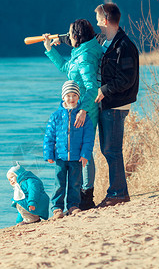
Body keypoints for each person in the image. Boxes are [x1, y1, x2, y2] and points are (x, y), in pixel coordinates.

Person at [56, 3, 139, 207]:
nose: (96, 23)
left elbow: (127, 79)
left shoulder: (123, 46)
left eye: (98, 19)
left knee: (112, 150)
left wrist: (103, 90)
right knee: (108, 150)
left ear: (106, 21)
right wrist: (59, 39)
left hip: (116, 104)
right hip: (108, 103)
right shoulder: (105, 41)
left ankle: (118, 193)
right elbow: (81, 39)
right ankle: (116, 192)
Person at [43, 19, 102, 210]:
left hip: (84, 110)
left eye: (70, 34)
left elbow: (93, 87)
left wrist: (83, 110)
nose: (68, 36)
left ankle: (86, 196)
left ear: (77, 36)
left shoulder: (84, 57)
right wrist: (50, 49)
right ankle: (81, 198)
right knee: (80, 151)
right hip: (78, 107)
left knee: (85, 153)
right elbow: (67, 69)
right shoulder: (81, 51)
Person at [43, 80, 95, 219]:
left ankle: (73, 206)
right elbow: (49, 137)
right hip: (60, 157)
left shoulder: (84, 116)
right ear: (63, 97)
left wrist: (85, 155)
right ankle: (57, 208)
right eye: (68, 95)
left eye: (74, 95)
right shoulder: (56, 116)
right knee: (59, 183)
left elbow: (88, 138)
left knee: (75, 183)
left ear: (78, 97)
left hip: (76, 157)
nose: (71, 99)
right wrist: (49, 154)